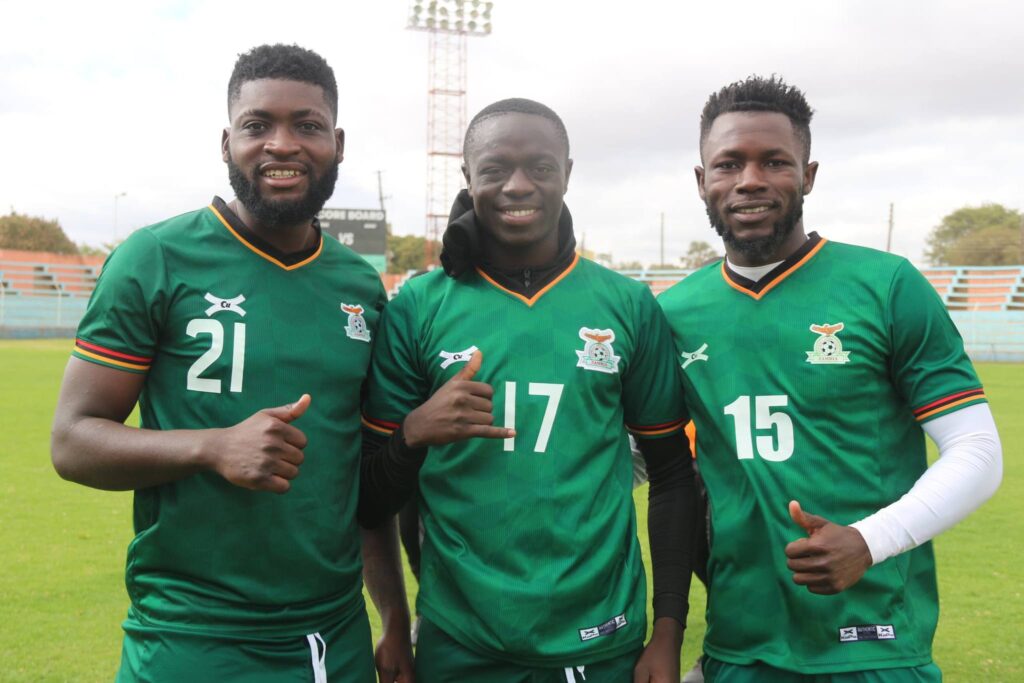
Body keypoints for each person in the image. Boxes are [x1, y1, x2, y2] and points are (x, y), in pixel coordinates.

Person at [50, 44, 413, 682]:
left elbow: (359, 477)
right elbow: (73, 442)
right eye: (256, 126)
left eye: (307, 125)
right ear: (226, 143)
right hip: (193, 636)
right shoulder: (154, 257)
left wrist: (392, 618)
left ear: (338, 142)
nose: (282, 144)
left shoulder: (360, 287)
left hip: (335, 637)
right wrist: (212, 447)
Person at [658, 75, 1003, 681]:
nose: (750, 181)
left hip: (876, 644)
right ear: (701, 180)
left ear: (809, 175)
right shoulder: (673, 314)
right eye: (728, 164)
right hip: (740, 646)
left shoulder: (887, 286)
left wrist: (871, 539)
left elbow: (977, 451)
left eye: (775, 162)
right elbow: (646, 458)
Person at [358, 98, 700, 682]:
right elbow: (366, 499)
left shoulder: (626, 304)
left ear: (568, 172)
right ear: (469, 178)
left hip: (600, 640)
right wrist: (413, 434)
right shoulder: (419, 306)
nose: (518, 186)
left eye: (540, 168)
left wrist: (668, 626)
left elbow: (671, 473)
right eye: (494, 170)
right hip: (458, 642)